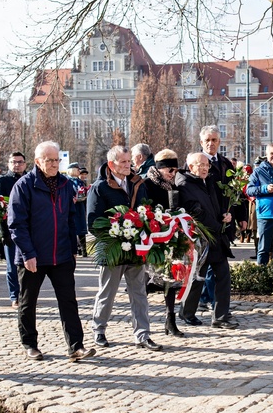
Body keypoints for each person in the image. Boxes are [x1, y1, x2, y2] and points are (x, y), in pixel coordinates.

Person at [8, 141, 95, 362]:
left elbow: (70, 218)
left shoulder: (65, 184)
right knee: (28, 302)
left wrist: (74, 248)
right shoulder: (24, 186)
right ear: (38, 161)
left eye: (57, 160)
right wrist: (28, 253)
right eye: (49, 160)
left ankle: (76, 346)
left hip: (62, 254)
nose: (55, 164)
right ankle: (30, 345)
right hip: (32, 256)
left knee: (68, 302)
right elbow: (17, 224)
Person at [87, 145, 162, 351]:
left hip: (136, 248)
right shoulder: (100, 187)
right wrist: (117, 237)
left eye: (129, 161)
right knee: (107, 292)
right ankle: (99, 329)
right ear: (112, 165)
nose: (129, 165)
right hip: (113, 250)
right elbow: (93, 222)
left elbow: (147, 208)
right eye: (124, 162)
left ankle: (142, 335)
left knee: (139, 292)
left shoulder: (138, 183)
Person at [177, 152, 239, 329]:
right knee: (198, 278)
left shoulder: (209, 181)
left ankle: (220, 317)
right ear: (191, 167)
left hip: (216, 237)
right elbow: (195, 212)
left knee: (223, 275)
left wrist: (225, 216)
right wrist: (217, 224)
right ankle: (187, 312)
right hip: (201, 239)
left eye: (207, 165)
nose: (205, 168)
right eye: (200, 165)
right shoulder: (184, 185)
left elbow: (215, 205)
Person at [143, 149, 185, 337]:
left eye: (175, 170)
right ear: (159, 169)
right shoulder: (146, 184)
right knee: (144, 281)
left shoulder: (176, 185)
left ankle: (170, 320)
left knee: (171, 278)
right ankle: (141, 324)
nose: (173, 173)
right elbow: (142, 209)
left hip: (171, 237)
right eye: (169, 170)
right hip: (152, 238)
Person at [0, 151, 27, 308]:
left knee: (30, 264)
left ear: (25, 164)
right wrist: (3, 233)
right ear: (8, 164)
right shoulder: (2, 182)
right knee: (12, 266)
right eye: (14, 162)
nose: (17, 165)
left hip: (30, 229)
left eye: (20, 162)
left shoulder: (31, 180)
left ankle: (26, 295)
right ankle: (15, 296)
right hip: (10, 230)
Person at [65, 162, 89, 257]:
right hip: (71, 207)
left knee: (81, 229)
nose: (79, 171)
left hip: (80, 207)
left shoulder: (79, 181)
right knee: (72, 229)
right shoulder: (66, 181)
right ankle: (73, 249)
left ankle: (83, 250)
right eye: (77, 169)